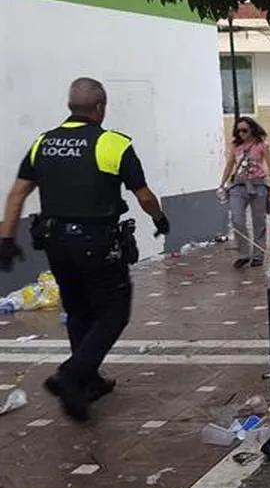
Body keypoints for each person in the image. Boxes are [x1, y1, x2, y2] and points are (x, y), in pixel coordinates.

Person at [0, 77, 170, 422]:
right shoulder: (112, 144)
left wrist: (6, 239)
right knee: (113, 312)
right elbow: (143, 195)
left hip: (55, 242)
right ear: (100, 108)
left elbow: (17, 193)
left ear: (70, 107)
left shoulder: (43, 143)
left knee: (78, 310)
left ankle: (88, 381)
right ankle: (72, 375)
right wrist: (159, 219)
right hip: (96, 243)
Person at [219, 116, 270, 268]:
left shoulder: (261, 144)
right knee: (237, 219)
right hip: (238, 186)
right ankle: (244, 254)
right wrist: (222, 184)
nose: (241, 134)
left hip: (258, 185)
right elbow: (230, 164)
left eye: (244, 130)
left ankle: (258, 255)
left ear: (252, 129)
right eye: (238, 131)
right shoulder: (235, 146)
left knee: (259, 222)